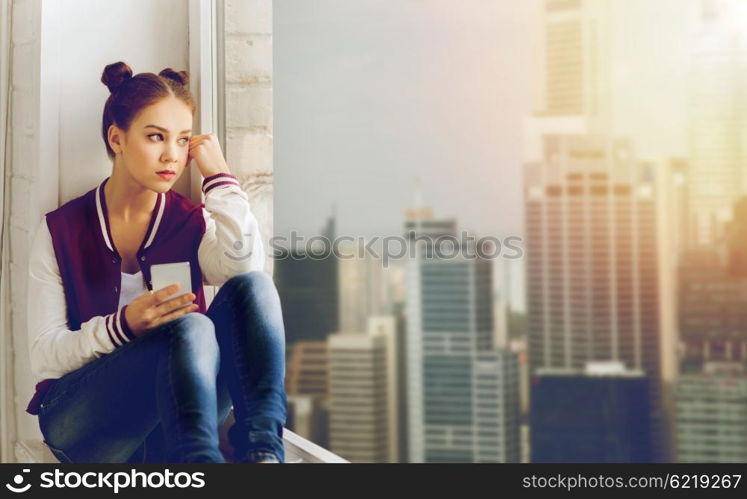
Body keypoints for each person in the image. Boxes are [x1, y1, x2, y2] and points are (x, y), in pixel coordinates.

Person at [24, 61, 287, 463]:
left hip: (176, 420)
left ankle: (264, 454)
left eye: (183, 141)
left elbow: (244, 269)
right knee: (192, 325)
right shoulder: (61, 229)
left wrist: (219, 178)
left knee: (255, 287)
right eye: (155, 137)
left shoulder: (190, 221)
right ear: (118, 138)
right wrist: (125, 326)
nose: (172, 155)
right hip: (84, 426)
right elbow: (45, 355)